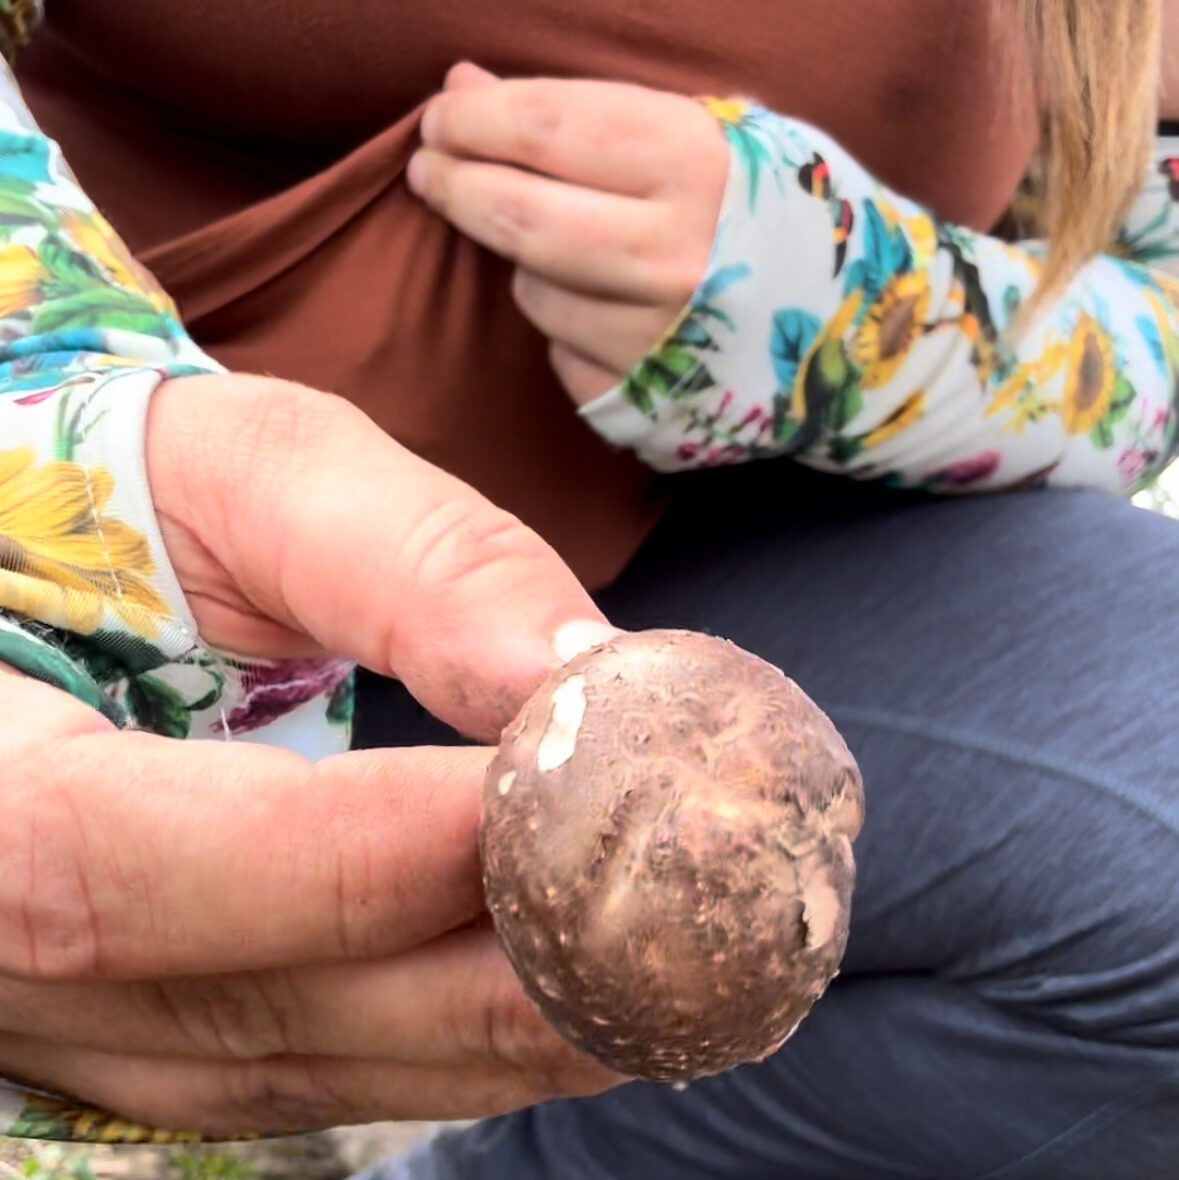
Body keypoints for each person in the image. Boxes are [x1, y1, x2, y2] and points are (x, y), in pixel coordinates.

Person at [0, 0, 1175, 1176]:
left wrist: (863, 310)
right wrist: (41, 418)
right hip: (175, 605)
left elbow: (1157, 295)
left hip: (724, 554)